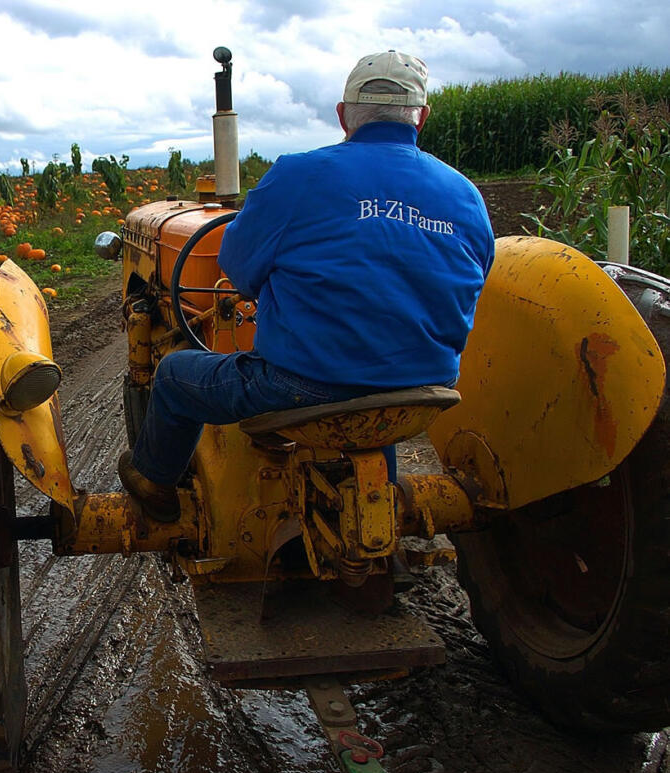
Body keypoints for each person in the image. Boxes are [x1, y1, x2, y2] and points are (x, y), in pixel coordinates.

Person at [119, 50, 495, 521]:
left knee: (176, 375)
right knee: (375, 402)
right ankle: (377, 525)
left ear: (342, 115)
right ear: (421, 118)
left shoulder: (300, 175)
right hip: (423, 393)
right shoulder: (465, 194)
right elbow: (476, 277)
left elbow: (236, 265)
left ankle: (153, 482)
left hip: (304, 389)